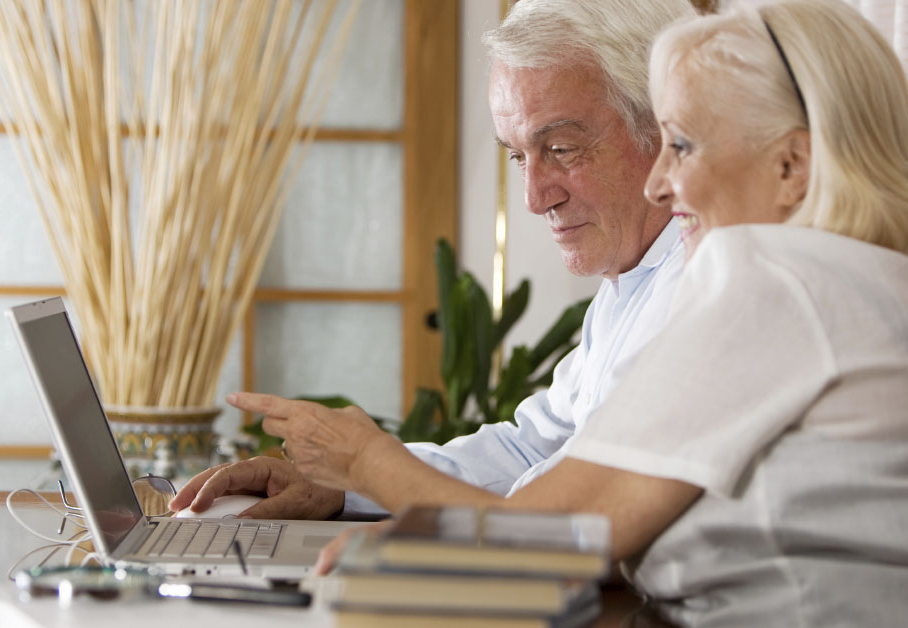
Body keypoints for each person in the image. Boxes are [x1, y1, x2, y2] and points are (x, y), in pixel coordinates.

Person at [205, 1, 908, 624]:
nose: (660, 182)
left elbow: (547, 536)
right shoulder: (896, 267)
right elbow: (552, 469)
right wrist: (359, 493)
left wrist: (366, 466)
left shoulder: (781, 276)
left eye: (682, 144)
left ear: (793, 166)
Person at [170, 0, 698, 520]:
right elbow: (529, 453)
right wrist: (340, 487)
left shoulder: (700, 287)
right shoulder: (633, 283)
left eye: (561, 148)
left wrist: (367, 465)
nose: (535, 199)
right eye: (518, 156)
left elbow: (563, 519)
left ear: (665, 127)